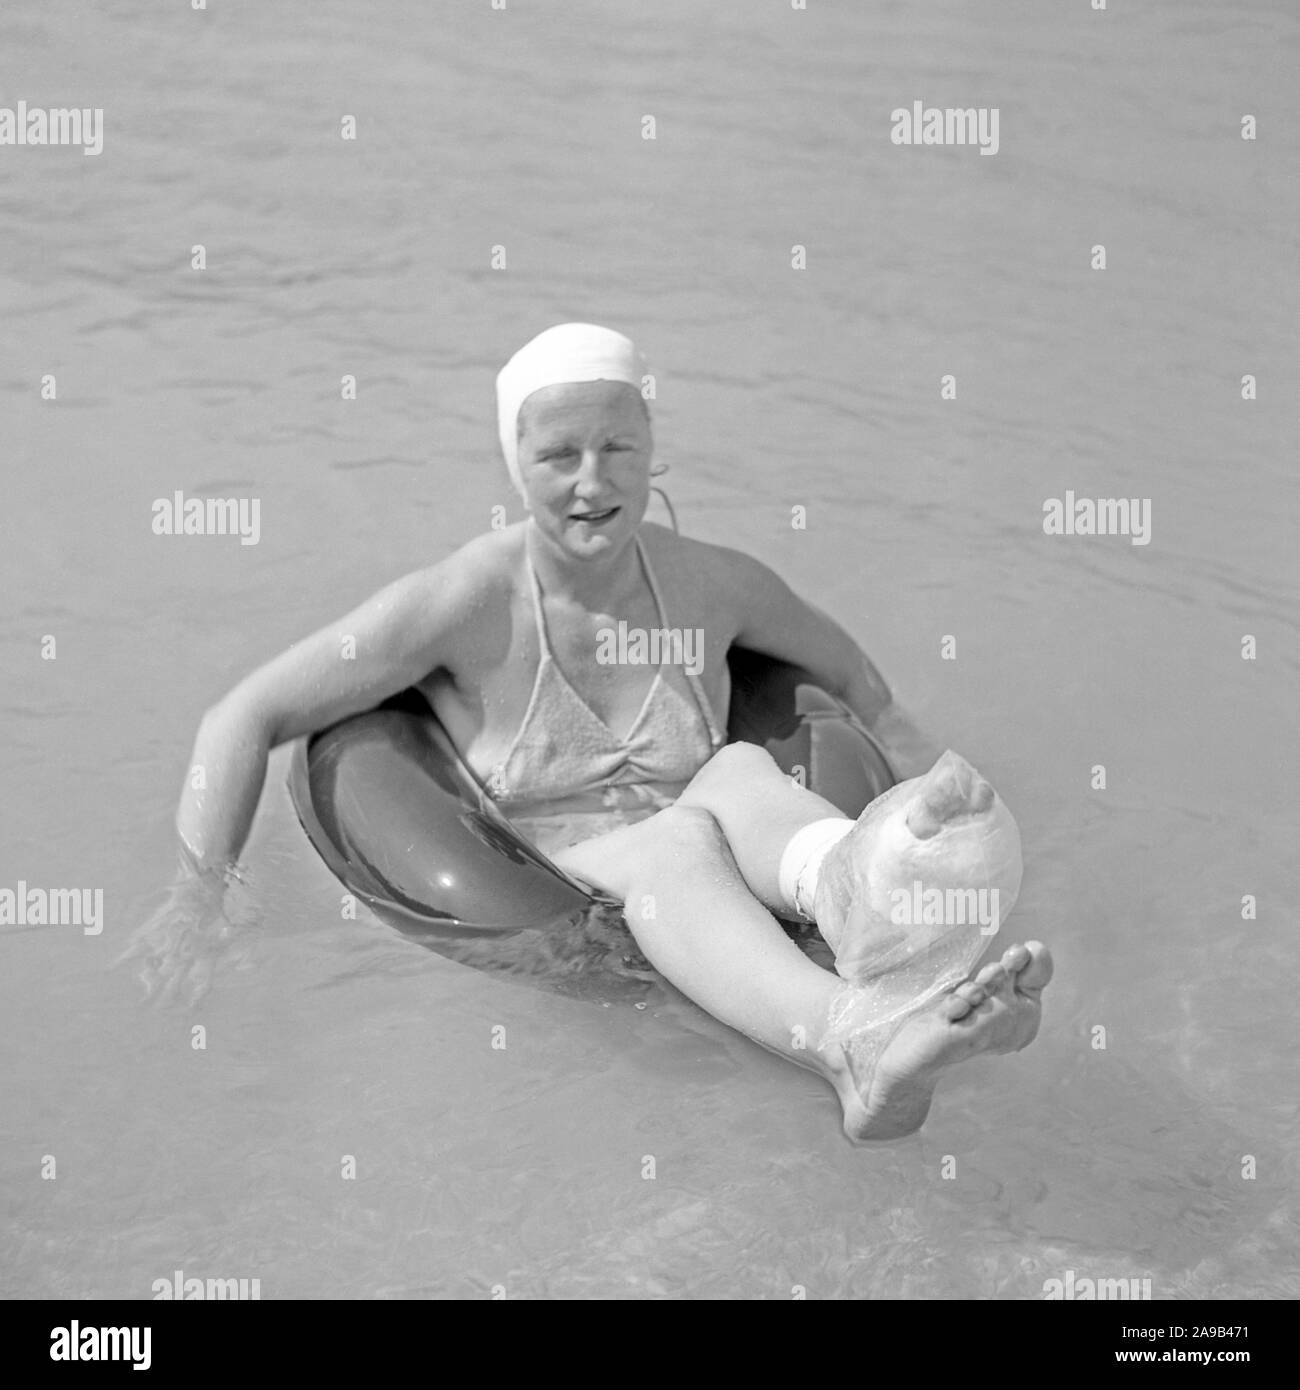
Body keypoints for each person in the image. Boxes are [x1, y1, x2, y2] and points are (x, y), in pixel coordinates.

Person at [145, 322, 1051, 1142]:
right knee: (675, 841)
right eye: (559, 455)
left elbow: (857, 683)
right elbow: (244, 716)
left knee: (736, 767)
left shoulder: (716, 586)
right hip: (579, 905)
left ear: (655, 446)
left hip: (737, 882)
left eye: (619, 445)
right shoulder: (466, 603)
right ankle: (852, 1047)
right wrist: (197, 897)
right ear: (515, 465)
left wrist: (922, 773)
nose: (593, 480)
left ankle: (874, 907)